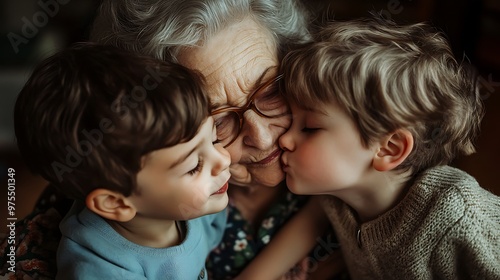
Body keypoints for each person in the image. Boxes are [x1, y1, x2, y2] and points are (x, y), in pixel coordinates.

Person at [0, 0, 344, 279]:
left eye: (271, 91)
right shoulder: (108, 190)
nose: (262, 135)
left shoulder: (351, 144)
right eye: (219, 120)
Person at [237, 17, 500, 279]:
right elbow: (305, 229)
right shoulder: (336, 199)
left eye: (309, 128)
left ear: (390, 149)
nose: (284, 139)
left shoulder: (458, 214)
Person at [14, 43, 231, 279]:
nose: (223, 160)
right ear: (116, 203)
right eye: (193, 167)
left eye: (214, 139)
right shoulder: (101, 270)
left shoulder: (203, 202)